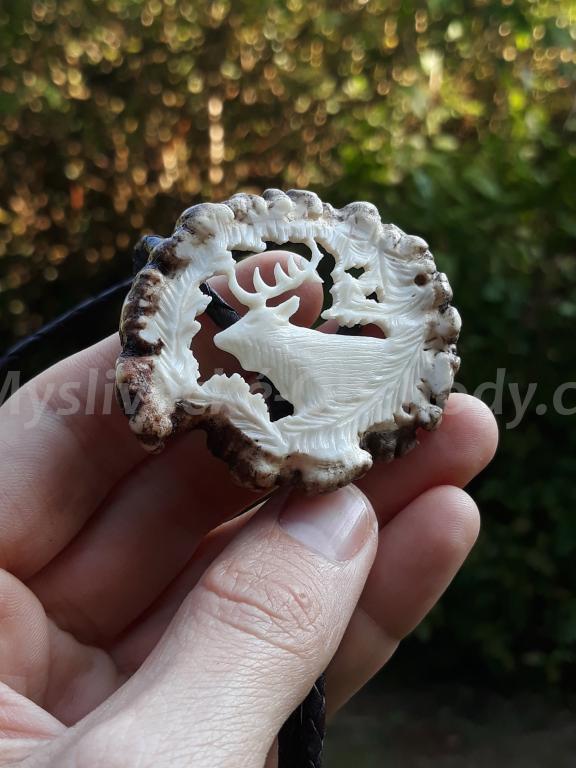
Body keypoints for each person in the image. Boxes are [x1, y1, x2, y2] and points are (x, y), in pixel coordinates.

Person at [0, 252, 498, 767]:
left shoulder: (311, 359)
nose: (224, 344)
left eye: (245, 336)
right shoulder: (281, 364)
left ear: (271, 336)